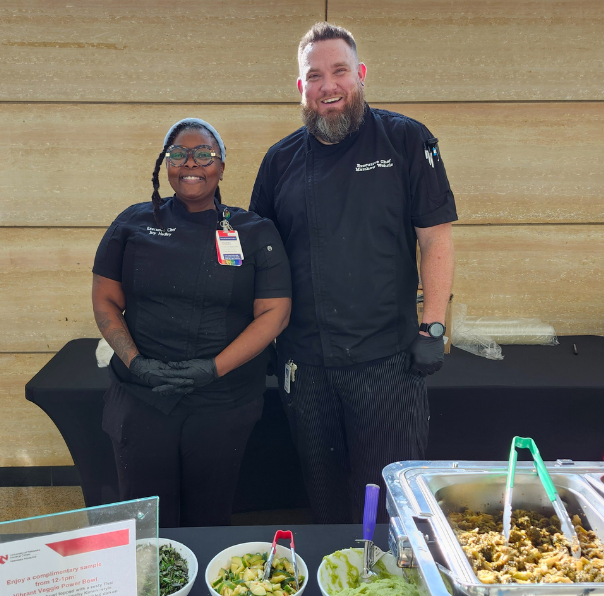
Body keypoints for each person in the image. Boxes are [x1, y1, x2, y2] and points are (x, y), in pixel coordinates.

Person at [250, 22, 457, 523]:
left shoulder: (406, 140)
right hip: (305, 363)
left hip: (386, 359)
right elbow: (262, 261)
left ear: (360, 75)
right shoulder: (279, 161)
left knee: (390, 499)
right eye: (314, 75)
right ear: (301, 88)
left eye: (339, 71)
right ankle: (335, 588)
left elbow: (436, 238)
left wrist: (434, 325)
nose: (328, 85)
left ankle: (391, 593)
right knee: (322, 494)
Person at [92, 118, 293, 528]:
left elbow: (275, 313)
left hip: (222, 402)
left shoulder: (253, 231)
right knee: (146, 521)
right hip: (142, 397)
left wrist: (212, 368)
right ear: (165, 165)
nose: (190, 163)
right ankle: (151, 591)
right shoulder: (131, 224)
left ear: (220, 166)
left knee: (210, 517)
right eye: (178, 154)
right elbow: (105, 300)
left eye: (203, 154)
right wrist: (135, 362)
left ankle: (203, 590)